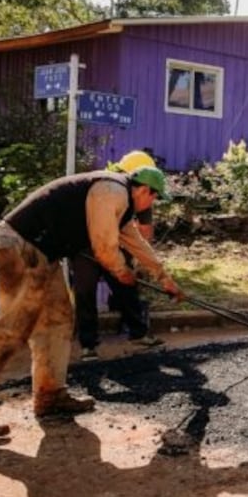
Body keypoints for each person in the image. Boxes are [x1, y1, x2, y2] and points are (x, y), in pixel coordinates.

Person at [0, 166, 184, 437]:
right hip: (21, 245)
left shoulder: (122, 203)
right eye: (155, 197)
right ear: (144, 190)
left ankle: (50, 394)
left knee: (58, 320)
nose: (153, 203)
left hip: (44, 252)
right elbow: (104, 247)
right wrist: (121, 271)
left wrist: (165, 278)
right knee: (12, 328)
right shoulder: (111, 191)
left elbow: (136, 243)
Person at [73, 150, 161, 360]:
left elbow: (144, 232)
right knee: (85, 293)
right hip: (84, 245)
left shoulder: (141, 193)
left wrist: (140, 260)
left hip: (117, 244)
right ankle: (88, 344)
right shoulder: (106, 188)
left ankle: (137, 333)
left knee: (125, 286)